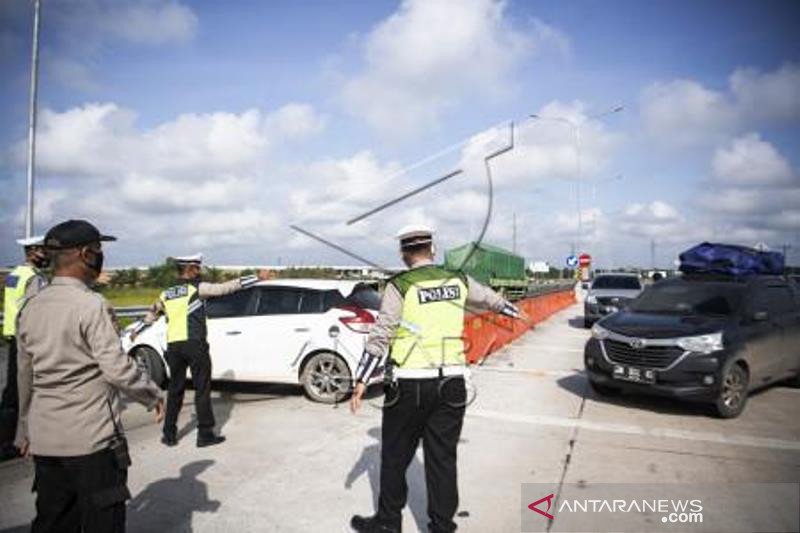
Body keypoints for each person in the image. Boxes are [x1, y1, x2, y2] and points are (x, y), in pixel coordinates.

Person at [349, 225, 527, 533]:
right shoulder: (457, 280)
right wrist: (515, 311)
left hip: (411, 385)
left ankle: (389, 523)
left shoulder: (399, 285)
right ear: (432, 249)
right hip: (453, 383)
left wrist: (362, 378)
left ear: (404, 254)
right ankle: (442, 527)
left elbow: (382, 333)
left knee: (393, 457)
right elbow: (490, 299)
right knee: (443, 459)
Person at [15, 219, 164, 533]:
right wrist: (152, 394)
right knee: (103, 523)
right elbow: (116, 368)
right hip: (92, 444)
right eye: (99, 250)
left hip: (45, 443)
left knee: (53, 521)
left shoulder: (30, 307)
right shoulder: (91, 305)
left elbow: (25, 375)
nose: (101, 256)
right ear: (85, 254)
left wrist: (24, 430)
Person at [135, 254, 265, 447]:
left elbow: (152, 312)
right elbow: (225, 288)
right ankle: (205, 435)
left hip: (174, 347)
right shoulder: (197, 288)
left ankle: (169, 434)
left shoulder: (167, 293)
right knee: (202, 389)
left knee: (175, 390)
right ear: (189, 269)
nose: (200, 270)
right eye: (197, 267)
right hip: (194, 344)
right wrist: (255, 278)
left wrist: (137, 330)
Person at [1, 236, 49, 459]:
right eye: (42, 251)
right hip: (26, 339)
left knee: (11, 390)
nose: (46, 255)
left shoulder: (14, 274)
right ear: (32, 252)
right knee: (24, 390)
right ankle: (16, 441)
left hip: (12, 335)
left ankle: (6, 438)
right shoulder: (33, 278)